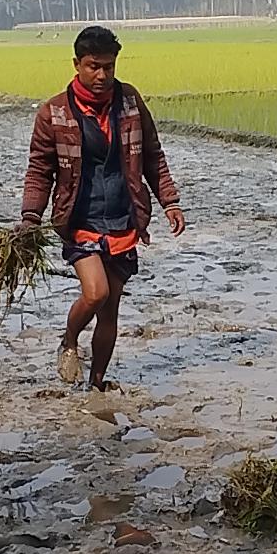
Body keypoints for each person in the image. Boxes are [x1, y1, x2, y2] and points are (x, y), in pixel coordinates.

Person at [20, 25, 186, 391]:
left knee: (110, 310)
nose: (102, 75)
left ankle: (96, 383)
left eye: (108, 66)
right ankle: (69, 340)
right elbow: (39, 171)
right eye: (93, 66)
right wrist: (30, 217)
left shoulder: (130, 102)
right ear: (77, 64)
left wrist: (169, 200)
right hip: (80, 218)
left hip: (124, 218)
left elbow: (152, 155)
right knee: (96, 293)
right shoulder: (54, 113)